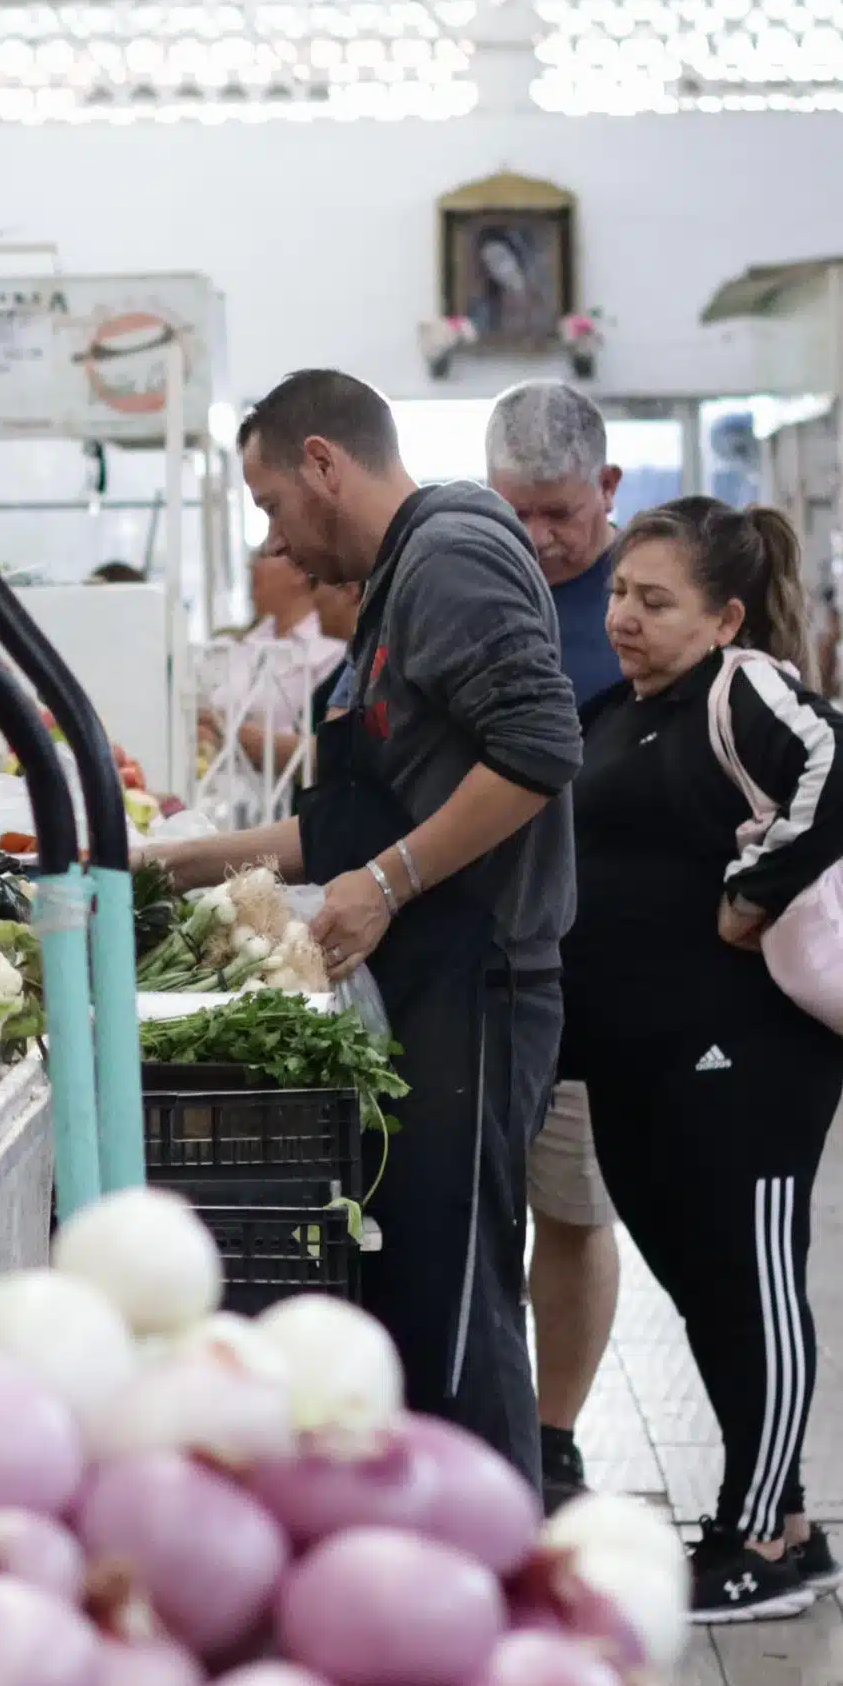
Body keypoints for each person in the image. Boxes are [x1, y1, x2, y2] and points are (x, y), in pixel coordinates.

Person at [143, 368, 579, 1477]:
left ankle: (500, 1569)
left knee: (460, 1298)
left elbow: (538, 746)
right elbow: (348, 819)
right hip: (427, 982)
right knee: (421, 1283)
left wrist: (385, 883)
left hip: (477, 978)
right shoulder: (397, 586)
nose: (275, 540)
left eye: (271, 502)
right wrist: (175, 861)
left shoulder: (452, 554)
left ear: (323, 462)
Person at [564, 498, 843, 1623]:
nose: (622, 616)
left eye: (653, 601)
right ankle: (787, 1522)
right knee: (708, 1294)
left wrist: (755, 894)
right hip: (639, 1061)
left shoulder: (737, 686)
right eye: (618, 592)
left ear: (723, 618)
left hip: (743, 1057)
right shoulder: (623, 709)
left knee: (752, 1287)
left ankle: (755, 1528)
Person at [486, 382, 627, 1508]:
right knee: (481, 1192)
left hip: (607, 957)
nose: (536, 537)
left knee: (571, 1203)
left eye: (559, 513)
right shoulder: (475, 579)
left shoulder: (652, 598)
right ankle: (485, 1408)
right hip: (482, 947)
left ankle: (555, 1427)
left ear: (608, 491)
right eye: (513, 509)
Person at [194, 537, 357, 828]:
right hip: (228, 802)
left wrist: (225, 730)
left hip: (286, 807)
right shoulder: (240, 644)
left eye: (264, 555)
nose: (251, 565)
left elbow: (329, 751)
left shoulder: (332, 651)